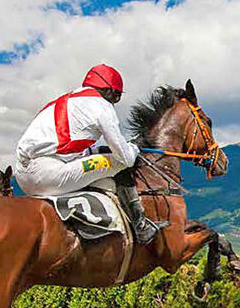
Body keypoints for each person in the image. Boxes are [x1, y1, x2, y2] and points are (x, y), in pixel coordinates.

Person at [15, 64, 167, 244]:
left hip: (23, 177)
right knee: (119, 163)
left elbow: (68, 149)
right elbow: (124, 157)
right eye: (116, 97)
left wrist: (99, 151)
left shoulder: (65, 100)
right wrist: (134, 148)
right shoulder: (101, 106)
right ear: (109, 91)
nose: (114, 103)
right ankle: (140, 226)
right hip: (49, 176)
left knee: (104, 166)